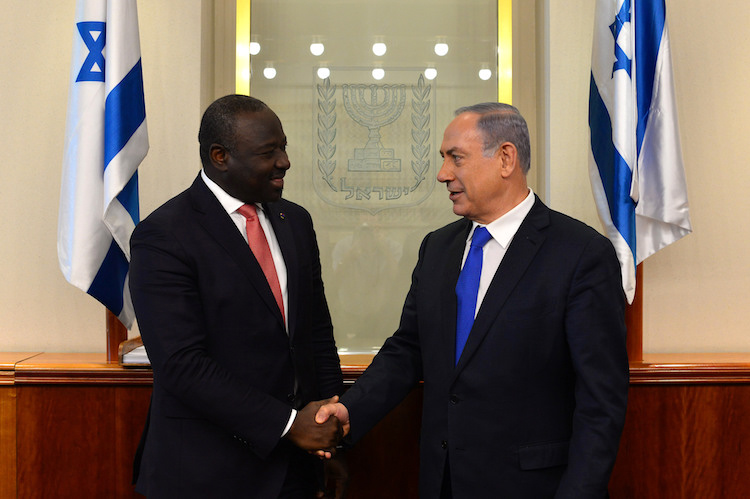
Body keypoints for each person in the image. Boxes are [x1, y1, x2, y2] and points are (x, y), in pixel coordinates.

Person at [316, 102, 629, 498]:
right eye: (443, 159)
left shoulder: (580, 254)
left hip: (532, 487)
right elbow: (409, 348)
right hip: (442, 481)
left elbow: (601, 400)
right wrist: (349, 410)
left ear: (505, 158)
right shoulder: (438, 248)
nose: (442, 173)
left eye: (456, 158)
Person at [130, 94, 344, 498]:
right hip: (206, 473)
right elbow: (181, 365)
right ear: (219, 156)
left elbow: (315, 331)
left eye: (283, 147)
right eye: (269, 151)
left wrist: (329, 427)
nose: (284, 161)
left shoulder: (294, 221)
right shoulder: (164, 235)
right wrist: (287, 424)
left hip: (296, 472)